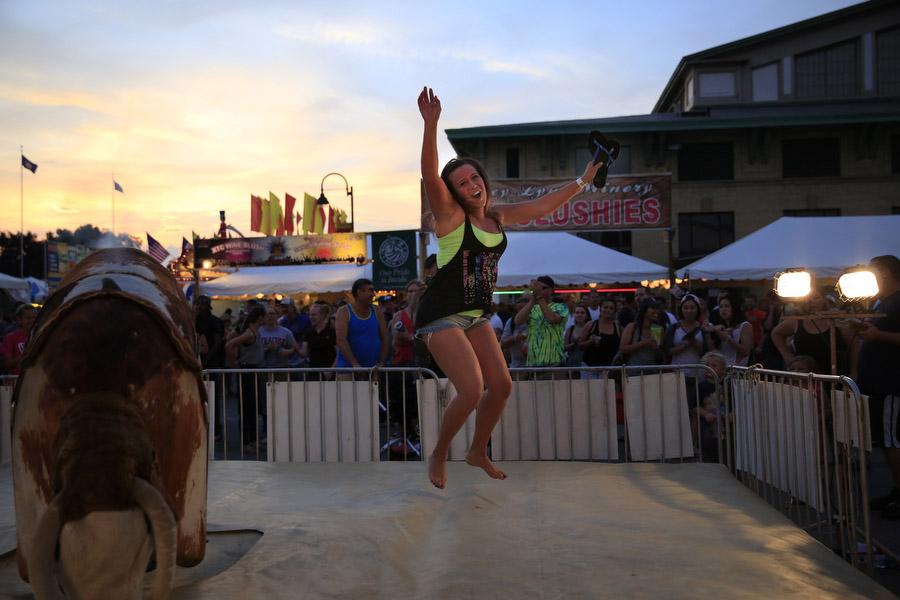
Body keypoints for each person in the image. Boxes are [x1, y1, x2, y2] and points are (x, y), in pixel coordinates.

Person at [414, 86, 604, 488]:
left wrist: (583, 180)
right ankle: (438, 453)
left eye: (474, 178)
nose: (472, 185)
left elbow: (544, 207)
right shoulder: (450, 218)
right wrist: (431, 125)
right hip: (440, 313)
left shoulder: (497, 218)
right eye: (462, 183)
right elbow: (430, 175)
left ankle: (477, 449)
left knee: (501, 387)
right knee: (471, 389)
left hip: (476, 315)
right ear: (455, 193)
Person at [854, 256, 900, 518]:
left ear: (884, 273)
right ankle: (896, 490)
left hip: (893, 383)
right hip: (882, 383)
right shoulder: (884, 302)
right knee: (888, 440)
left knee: (894, 440)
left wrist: (878, 335)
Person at [771, 289, 851, 375]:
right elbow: (776, 333)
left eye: (816, 298)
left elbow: (853, 346)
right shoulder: (797, 320)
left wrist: (854, 371)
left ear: (824, 300)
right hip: (804, 377)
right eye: (807, 298)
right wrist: (786, 355)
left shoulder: (836, 320)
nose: (811, 301)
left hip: (833, 374)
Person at [225, 305, 267, 449]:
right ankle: (247, 441)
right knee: (247, 406)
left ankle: (252, 440)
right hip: (248, 369)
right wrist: (234, 366)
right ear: (260, 317)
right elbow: (230, 345)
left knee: (252, 406)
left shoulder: (255, 331)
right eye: (265, 316)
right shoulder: (250, 333)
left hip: (253, 369)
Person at [514, 275, 569, 370]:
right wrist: (532, 300)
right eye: (537, 288)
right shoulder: (533, 308)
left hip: (555, 363)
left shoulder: (561, 307)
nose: (540, 291)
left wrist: (539, 297)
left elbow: (552, 319)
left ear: (551, 290)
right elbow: (517, 321)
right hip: (533, 364)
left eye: (543, 288)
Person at [335, 278, 388, 375]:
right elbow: (341, 340)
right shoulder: (344, 312)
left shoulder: (377, 311)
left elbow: (384, 338)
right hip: (348, 370)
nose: (374, 294)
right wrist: (354, 364)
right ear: (359, 292)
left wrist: (381, 362)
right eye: (370, 290)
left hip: (372, 370)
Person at [578, 298, 621, 377]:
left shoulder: (618, 327)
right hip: (589, 368)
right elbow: (580, 345)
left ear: (615, 311)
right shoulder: (591, 324)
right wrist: (590, 342)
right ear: (600, 309)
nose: (608, 310)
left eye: (611, 308)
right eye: (605, 307)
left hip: (608, 369)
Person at [705, 295, 752, 367]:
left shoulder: (745, 325)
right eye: (721, 307)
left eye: (727, 306)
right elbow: (714, 352)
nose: (723, 309)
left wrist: (728, 338)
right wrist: (707, 333)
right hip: (721, 371)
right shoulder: (719, 326)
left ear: (734, 308)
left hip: (738, 371)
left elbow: (746, 351)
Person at [618, 298, 663, 367]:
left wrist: (657, 349)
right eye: (653, 308)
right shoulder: (632, 327)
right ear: (644, 310)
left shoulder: (657, 329)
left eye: (657, 308)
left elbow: (659, 355)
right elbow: (623, 348)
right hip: (633, 372)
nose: (656, 311)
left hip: (652, 372)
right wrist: (643, 343)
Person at [301, 302, 337, 376]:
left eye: (314, 315)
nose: (311, 317)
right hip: (313, 373)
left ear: (323, 316)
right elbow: (304, 353)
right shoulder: (308, 332)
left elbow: (339, 353)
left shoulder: (332, 332)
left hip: (329, 373)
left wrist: (332, 370)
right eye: (310, 315)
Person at [0, 304, 37, 376]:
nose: (32, 321)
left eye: (35, 317)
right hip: (17, 380)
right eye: (28, 318)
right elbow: (7, 364)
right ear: (19, 320)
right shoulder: (10, 338)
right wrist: (25, 357)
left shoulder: (39, 336)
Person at [501, 295, 530, 369]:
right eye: (519, 309)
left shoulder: (539, 321)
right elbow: (503, 344)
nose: (522, 313)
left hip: (539, 367)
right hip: (517, 367)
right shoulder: (511, 322)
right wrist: (516, 337)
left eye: (524, 309)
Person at [563, 305, 589, 369]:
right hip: (572, 364)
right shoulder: (570, 329)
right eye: (577, 313)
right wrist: (573, 344)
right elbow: (564, 348)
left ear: (587, 315)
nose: (579, 315)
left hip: (587, 364)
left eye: (582, 313)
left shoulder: (591, 328)